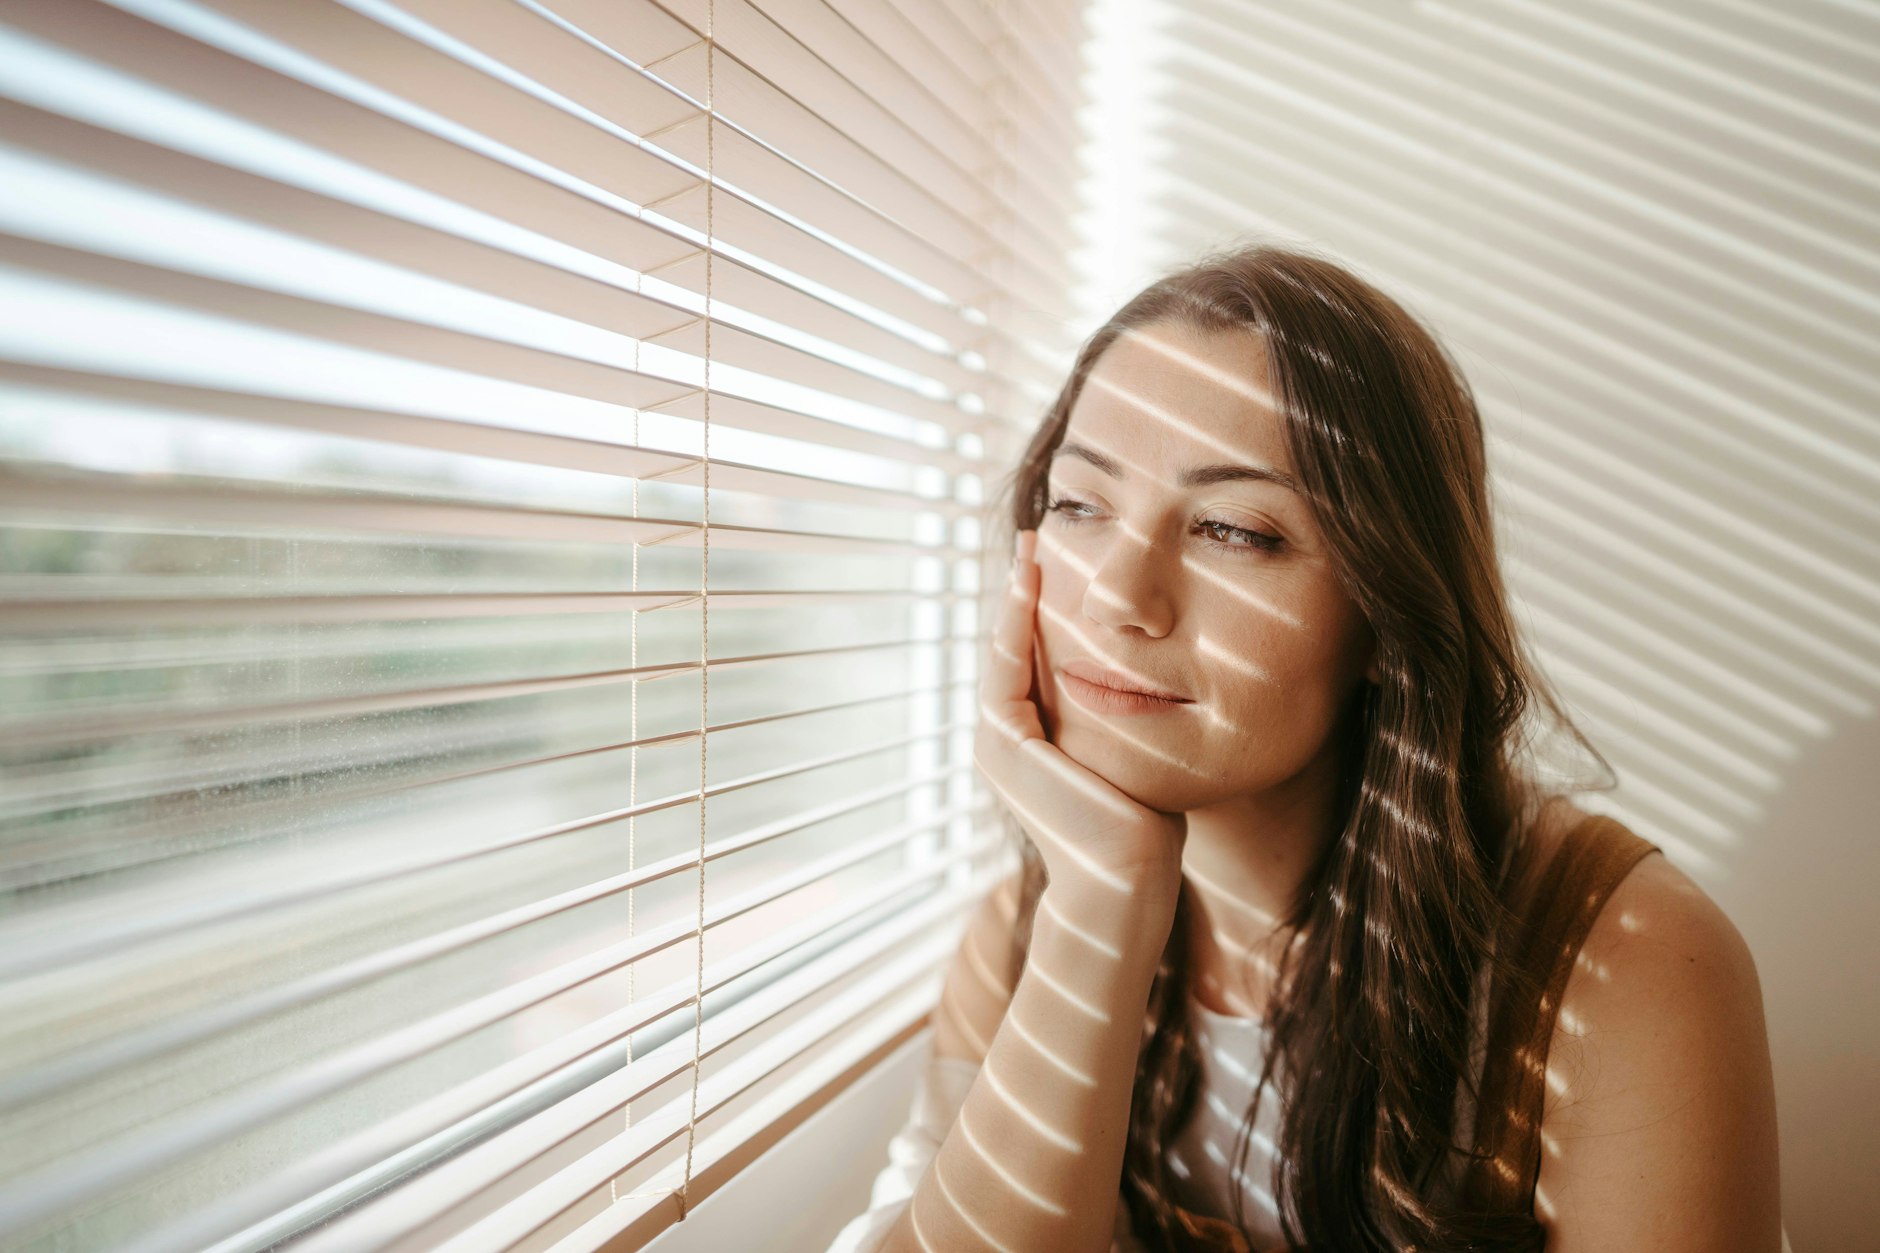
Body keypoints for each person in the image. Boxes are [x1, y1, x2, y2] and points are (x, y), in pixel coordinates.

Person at [827, 244, 1782, 1252]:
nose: (1114, 594)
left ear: (1384, 611)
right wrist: (1100, 908)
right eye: (1077, 505)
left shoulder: (1624, 966)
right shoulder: (1027, 935)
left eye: (1233, 530)